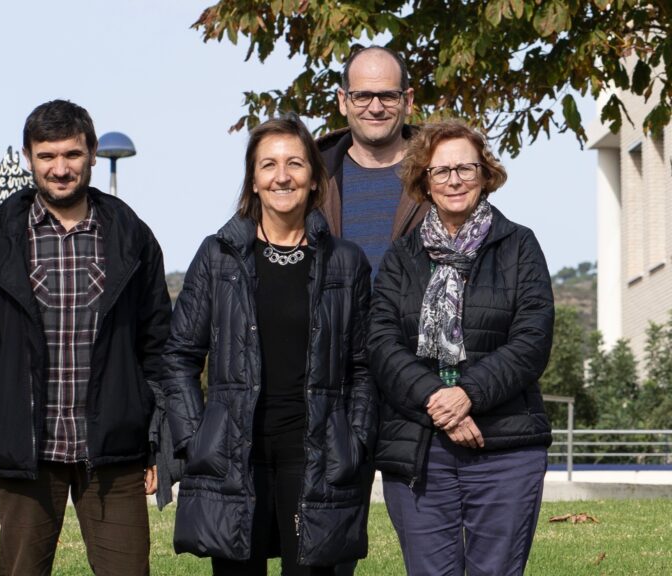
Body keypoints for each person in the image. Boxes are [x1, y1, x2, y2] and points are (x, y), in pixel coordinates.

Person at [0, 99, 171, 576]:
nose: (60, 169)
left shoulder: (132, 238)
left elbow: (159, 350)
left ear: (92, 153)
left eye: (72, 154)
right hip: (26, 455)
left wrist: (158, 444)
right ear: (28, 157)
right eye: (47, 156)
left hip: (114, 453)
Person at [162, 116, 376, 575]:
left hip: (315, 452)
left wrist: (355, 440)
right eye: (269, 165)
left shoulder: (345, 262)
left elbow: (363, 366)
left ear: (314, 177)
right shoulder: (218, 256)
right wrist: (195, 438)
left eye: (295, 163)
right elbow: (178, 356)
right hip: (234, 453)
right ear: (253, 180)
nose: (282, 176)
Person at [369, 120, 555, 575]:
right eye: (441, 171)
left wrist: (467, 394)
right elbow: (381, 343)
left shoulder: (520, 246)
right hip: (420, 446)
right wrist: (439, 402)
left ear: (485, 174)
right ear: (424, 181)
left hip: (505, 444)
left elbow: (532, 339)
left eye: (465, 169)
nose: (454, 180)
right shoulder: (401, 257)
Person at [319, 45, 429, 274]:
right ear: (343, 101)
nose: (376, 108)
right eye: (362, 96)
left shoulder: (441, 173)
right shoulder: (312, 177)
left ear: (408, 101)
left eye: (388, 96)